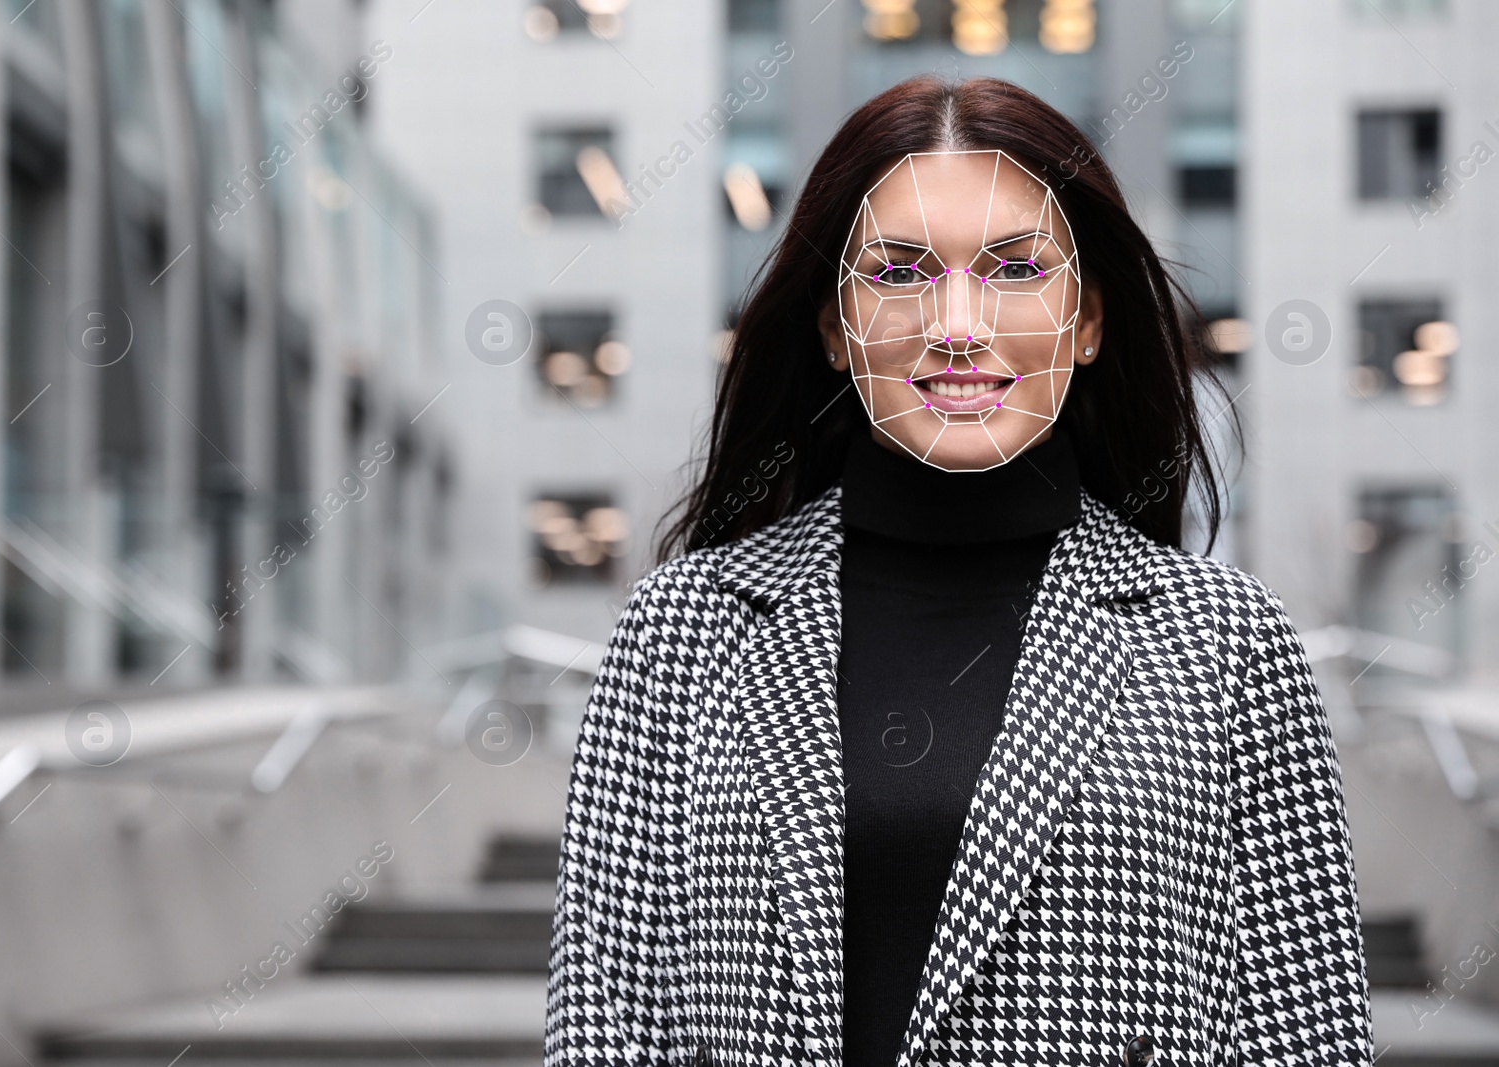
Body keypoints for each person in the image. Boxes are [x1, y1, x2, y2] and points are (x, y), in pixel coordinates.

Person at [544, 75, 1374, 1067]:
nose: (957, 322)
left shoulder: (1226, 644)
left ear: (1089, 318)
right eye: (897, 274)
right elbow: (608, 1028)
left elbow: (1304, 1036)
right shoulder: (684, 631)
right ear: (834, 326)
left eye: (1015, 268)